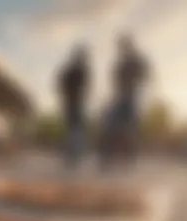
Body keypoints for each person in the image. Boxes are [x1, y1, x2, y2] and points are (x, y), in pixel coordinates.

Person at [100, 34, 149, 168]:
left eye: (123, 46)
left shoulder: (135, 61)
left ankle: (129, 159)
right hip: (121, 96)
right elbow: (115, 79)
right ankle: (108, 158)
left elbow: (144, 75)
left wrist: (132, 83)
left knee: (129, 128)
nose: (121, 50)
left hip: (131, 96)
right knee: (111, 123)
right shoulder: (121, 63)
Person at [57, 45, 90, 170]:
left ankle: (74, 156)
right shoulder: (78, 69)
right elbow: (63, 82)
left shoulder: (74, 69)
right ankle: (74, 156)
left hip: (73, 100)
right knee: (75, 127)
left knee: (74, 127)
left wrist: (67, 94)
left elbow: (62, 82)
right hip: (74, 101)